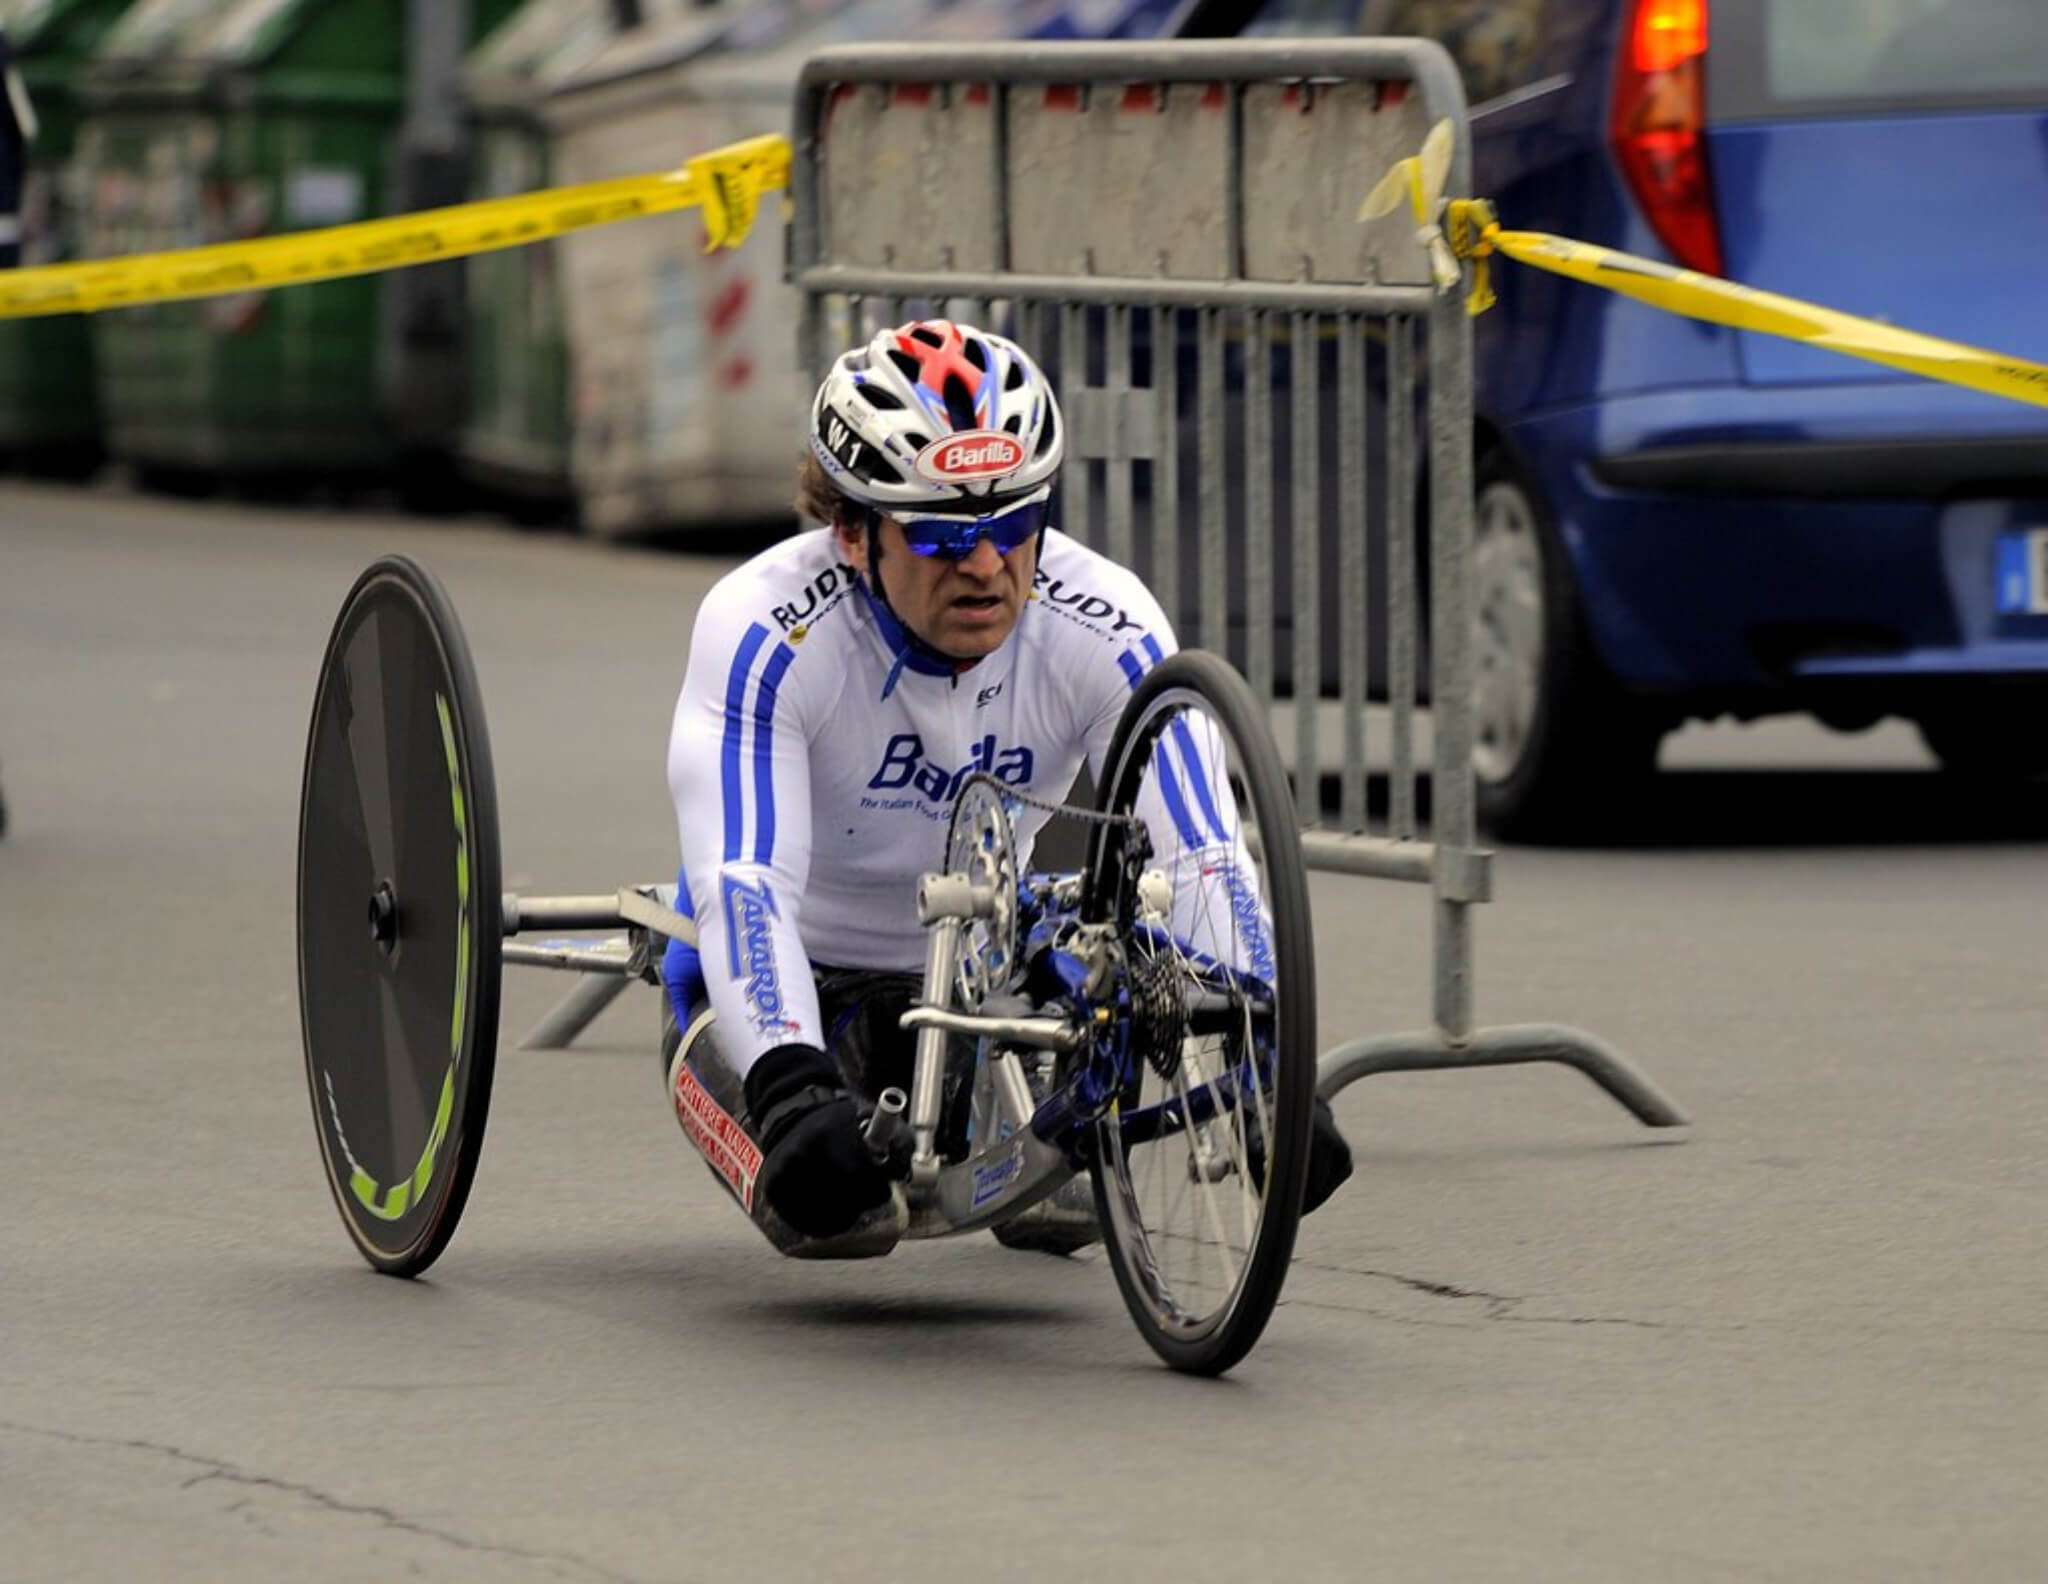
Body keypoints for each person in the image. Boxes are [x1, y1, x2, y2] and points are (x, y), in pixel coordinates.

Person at [660, 319, 1352, 1250]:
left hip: (984, 966)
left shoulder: (1102, 619)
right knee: (837, 1217)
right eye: (944, 536)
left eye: (1016, 523)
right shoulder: (766, 631)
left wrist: (1267, 1051)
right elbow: (746, 883)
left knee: (1063, 1212)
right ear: (855, 534)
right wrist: (787, 1081)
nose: (987, 565)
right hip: (800, 973)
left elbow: (1201, 851)